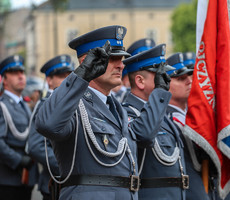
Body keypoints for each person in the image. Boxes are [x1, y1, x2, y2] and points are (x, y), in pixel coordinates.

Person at [35, 25, 172, 200]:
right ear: (88, 61)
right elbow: (48, 125)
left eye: (122, 58)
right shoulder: (72, 105)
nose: (121, 65)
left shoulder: (117, 108)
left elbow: (144, 136)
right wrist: (81, 76)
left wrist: (159, 92)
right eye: (113, 58)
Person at [122, 45, 189, 200]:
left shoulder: (160, 113)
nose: (165, 79)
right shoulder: (127, 113)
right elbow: (144, 135)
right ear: (140, 81)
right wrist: (159, 93)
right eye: (158, 74)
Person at [27, 54, 74, 200]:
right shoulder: (45, 105)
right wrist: (67, 166)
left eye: (69, 75)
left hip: (76, 184)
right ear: (49, 80)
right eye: (61, 76)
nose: (66, 79)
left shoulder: (75, 102)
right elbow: (35, 146)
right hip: (54, 182)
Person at [165, 52, 209, 200]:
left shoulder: (192, 116)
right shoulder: (167, 120)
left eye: (190, 76)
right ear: (167, 84)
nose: (189, 81)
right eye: (181, 78)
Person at [0, 55, 38, 200]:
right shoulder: (2, 105)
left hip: (26, 178)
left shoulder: (24, 105)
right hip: (8, 179)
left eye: (22, 73)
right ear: (4, 79)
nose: (21, 77)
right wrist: (18, 161)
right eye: (15, 73)